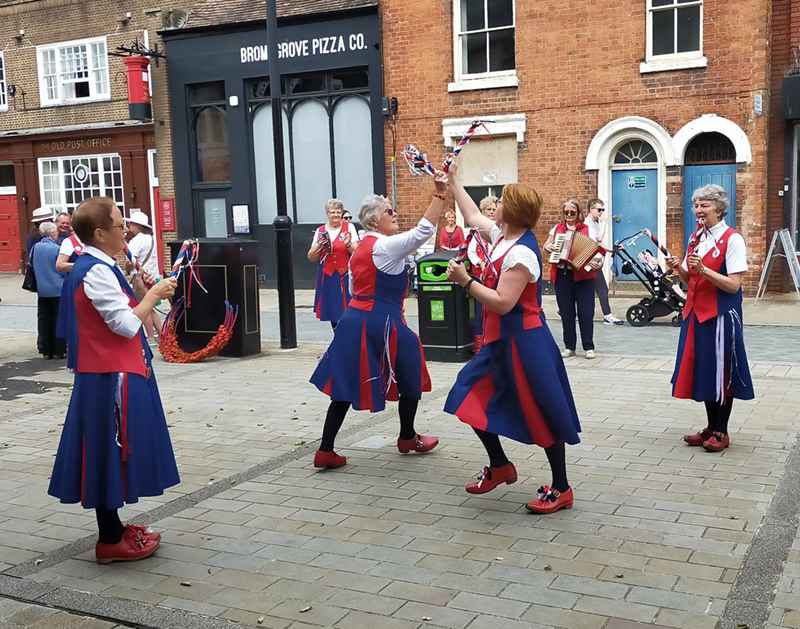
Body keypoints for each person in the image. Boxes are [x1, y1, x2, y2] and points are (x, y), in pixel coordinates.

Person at [48, 196, 179, 564]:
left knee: (107, 452)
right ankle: (109, 539)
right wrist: (153, 295)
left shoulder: (98, 265)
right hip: (111, 377)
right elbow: (124, 325)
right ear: (101, 232)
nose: (126, 231)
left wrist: (141, 290)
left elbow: (120, 312)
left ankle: (115, 529)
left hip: (109, 372)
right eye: (120, 225)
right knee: (111, 452)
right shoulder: (95, 269)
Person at [444, 161, 581, 514]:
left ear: (513, 211)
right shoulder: (504, 236)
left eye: (502, 201)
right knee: (465, 395)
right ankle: (500, 464)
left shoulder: (520, 252)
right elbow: (472, 214)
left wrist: (465, 281)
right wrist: (453, 179)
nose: (496, 204)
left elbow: (505, 304)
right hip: (501, 343)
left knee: (544, 413)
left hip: (524, 344)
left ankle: (562, 488)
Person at [309, 173, 449, 468]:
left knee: (344, 385)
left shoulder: (360, 247)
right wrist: (439, 194)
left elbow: (351, 288)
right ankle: (407, 436)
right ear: (374, 220)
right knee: (411, 368)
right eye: (389, 211)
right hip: (382, 322)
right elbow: (422, 232)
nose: (394, 213)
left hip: (353, 320)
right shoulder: (383, 246)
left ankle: (325, 450)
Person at [665, 184, 754, 452]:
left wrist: (703, 269)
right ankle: (710, 426)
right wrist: (679, 268)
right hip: (695, 314)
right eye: (696, 205)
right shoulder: (695, 237)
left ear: (719, 208)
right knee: (704, 370)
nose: (699, 210)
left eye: (705, 205)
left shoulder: (732, 238)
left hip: (720, 315)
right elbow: (689, 278)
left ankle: (721, 431)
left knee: (721, 372)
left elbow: (733, 285)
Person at [543, 199, 602, 359]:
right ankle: (569, 347)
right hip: (563, 275)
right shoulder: (557, 229)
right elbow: (547, 246)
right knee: (566, 312)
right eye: (566, 212)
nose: (569, 215)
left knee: (586, 312)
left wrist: (596, 263)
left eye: (572, 213)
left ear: (579, 213)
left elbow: (597, 254)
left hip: (584, 276)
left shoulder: (587, 229)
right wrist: (548, 247)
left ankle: (589, 347)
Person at [308, 199, 359, 329]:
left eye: (338, 212)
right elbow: (311, 257)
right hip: (328, 275)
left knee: (348, 309)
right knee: (333, 310)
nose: (335, 215)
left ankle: (348, 338)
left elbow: (357, 252)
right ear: (327, 213)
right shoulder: (321, 231)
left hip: (346, 274)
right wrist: (318, 246)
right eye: (332, 212)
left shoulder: (349, 227)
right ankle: (338, 338)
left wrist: (348, 244)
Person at [467, 196, 498, 353]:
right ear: (482, 211)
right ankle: (479, 349)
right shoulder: (477, 232)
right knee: (481, 311)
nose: (491, 212)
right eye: (488, 210)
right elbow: (471, 251)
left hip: (497, 276)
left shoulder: (500, 230)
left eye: (494, 209)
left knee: (494, 310)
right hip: (480, 277)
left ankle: (492, 344)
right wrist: (480, 262)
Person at [126, 211, 162, 345]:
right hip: (153, 276)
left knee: (144, 306)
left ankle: (151, 338)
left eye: (131, 223)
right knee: (150, 307)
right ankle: (161, 334)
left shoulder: (137, 240)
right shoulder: (150, 238)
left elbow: (131, 260)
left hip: (141, 277)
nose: (129, 225)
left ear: (138, 225)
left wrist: (127, 269)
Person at [31, 222, 66, 359]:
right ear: (52, 234)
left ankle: (46, 350)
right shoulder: (56, 249)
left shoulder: (35, 247)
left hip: (42, 289)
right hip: (57, 289)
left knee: (44, 319)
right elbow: (61, 269)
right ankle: (59, 350)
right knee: (58, 319)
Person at [585, 198, 623, 325]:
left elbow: (600, 243)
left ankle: (562, 311)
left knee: (585, 287)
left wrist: (613, 249)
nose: (601, 212)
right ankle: (607, 316)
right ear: (591, 209)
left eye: (603, 210)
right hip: (589, 260)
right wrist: (605, 223)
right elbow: (599, 238)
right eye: (599, 210)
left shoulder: (595, 223)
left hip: (592, 259)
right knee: (602, 288)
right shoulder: (587, 224)